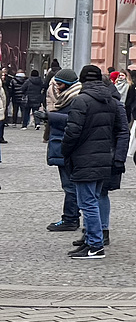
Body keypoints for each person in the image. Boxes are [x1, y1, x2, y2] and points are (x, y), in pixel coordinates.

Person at [61, 65, 128, 258]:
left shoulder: (81, 100)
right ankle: (91, 240)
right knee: (95, 198)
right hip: (103, 156)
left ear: (82, 80)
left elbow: (72, 131)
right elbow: (120, 130)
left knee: (88, 202)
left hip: (85, 157)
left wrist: (66, 151)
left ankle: (95, 245)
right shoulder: (111, 101)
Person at [42, 69, 79, 231]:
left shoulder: (75, 98)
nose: (56, 87)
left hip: (68, 147)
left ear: (69, 84)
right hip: (61, 144)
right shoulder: (66, 96)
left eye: (59, 84)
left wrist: (50, 117)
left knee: (70, 185)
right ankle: (71, 217)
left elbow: (74, 120)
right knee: (69, 185)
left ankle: (70, 219)